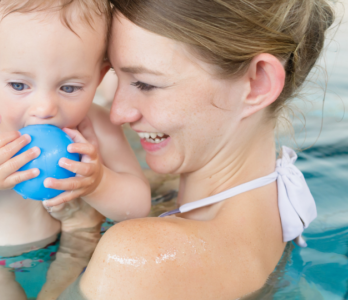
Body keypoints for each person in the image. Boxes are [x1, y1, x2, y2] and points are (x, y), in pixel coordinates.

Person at [54, 0, 335, 299]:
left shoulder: (139, 258)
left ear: (258, 83)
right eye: (114, 75)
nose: (118, 114)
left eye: (145, 84)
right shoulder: (275, 211)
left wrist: (80, 230)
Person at [0, 0, 152, 298]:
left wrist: (99, 181)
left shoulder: (97, 125)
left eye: (69, 87)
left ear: (99, 77)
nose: (44, 108)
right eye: (19, 85)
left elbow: (139, 208)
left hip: (73, 244)